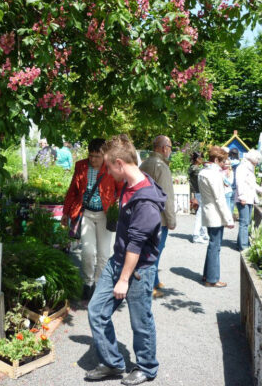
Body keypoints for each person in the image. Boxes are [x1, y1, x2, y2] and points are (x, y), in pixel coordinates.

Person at [86, 134, 165, 385]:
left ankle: (146, 367)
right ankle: (112, 363)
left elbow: (136, 245)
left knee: (140, 321)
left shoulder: (146, 199)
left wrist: (123, 280)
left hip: (138, 269)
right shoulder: (131, 185)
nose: (107, 171)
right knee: (96, 311)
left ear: (120, 163)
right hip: (117, 260)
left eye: (109, 166)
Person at [61, 138, 122, 300]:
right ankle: (87, 282)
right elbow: (73, 190)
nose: (93, 159)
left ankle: (98, 283)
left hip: (105, 216)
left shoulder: (111, 167)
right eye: (91, 155)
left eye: (97, 156)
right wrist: (65, 212)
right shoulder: (81, 166)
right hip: (86, 213)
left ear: (105, 155)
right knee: (88, 251)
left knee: (103, 253)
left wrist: (117, 205)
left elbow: (121, 189)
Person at [140, 135, 176, 298]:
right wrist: (171, 220)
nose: (170, 151)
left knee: (149, 250)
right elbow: (166, 196)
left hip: (145, 214)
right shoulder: (161, 166)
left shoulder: (145, 163)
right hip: (159, 217)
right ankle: (148, 286)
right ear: (163, 148)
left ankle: (153, 280)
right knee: (154, 252)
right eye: (169, 147)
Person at [198, 146, 234, 288]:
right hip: (215, 214)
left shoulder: (204, 172)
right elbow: (220, 199)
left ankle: (208, 274)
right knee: (215, 246)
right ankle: (212, 279)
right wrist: (229, 219)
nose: (224, 163)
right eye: (223, 161)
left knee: (212, 244)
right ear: (216, 159)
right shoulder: (214, 175)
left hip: (208, 211)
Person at [235, 149, 262, 251]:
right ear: (253, 159)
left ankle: (240, 243)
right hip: (244, 198)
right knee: (244, 223)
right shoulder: (242, 168)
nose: (258, 162)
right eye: (257, 160)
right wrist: (241, 197)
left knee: (246, 222)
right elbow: (239, 183)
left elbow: (253, 184)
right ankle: (243, 246)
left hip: (248, 198)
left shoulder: (249, 168)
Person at [188, 151, 208, 243]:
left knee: (202, 214)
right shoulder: (195, 169)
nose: (202, 160)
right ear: (197, 159)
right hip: (199, 193)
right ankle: (196, 235)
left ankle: (203, 234)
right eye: (200, 158)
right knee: (200, 215)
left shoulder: (194, 168)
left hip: (199, 193)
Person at [229, 147, 240, 214]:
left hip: (227, 183)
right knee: (232, 201)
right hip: (234, 183)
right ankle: (230, 216)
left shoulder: (228, 161)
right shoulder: (238, 162)